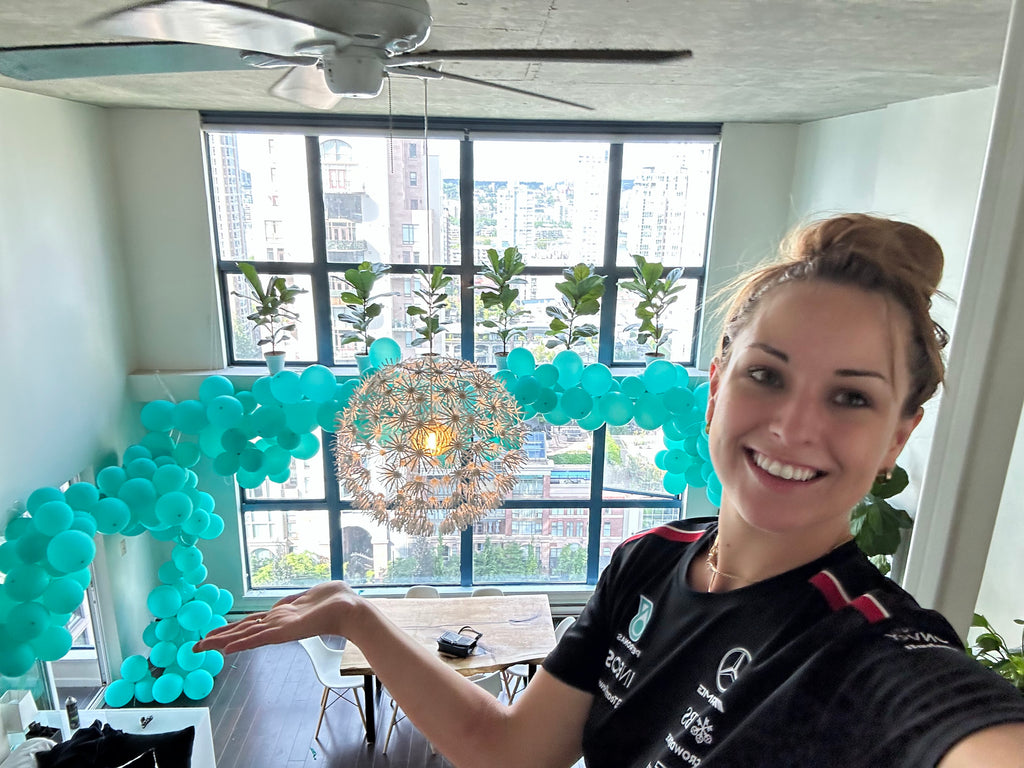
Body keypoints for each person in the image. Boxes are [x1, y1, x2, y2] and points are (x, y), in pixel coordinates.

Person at [197, 214, 1024, 767]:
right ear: (715, 388)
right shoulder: (647, 564)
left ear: (899, 436)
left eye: (851, 396)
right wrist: (357, 618)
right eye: (767, 376)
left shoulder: (869, 646)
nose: (794, 426)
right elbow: (514, 751)